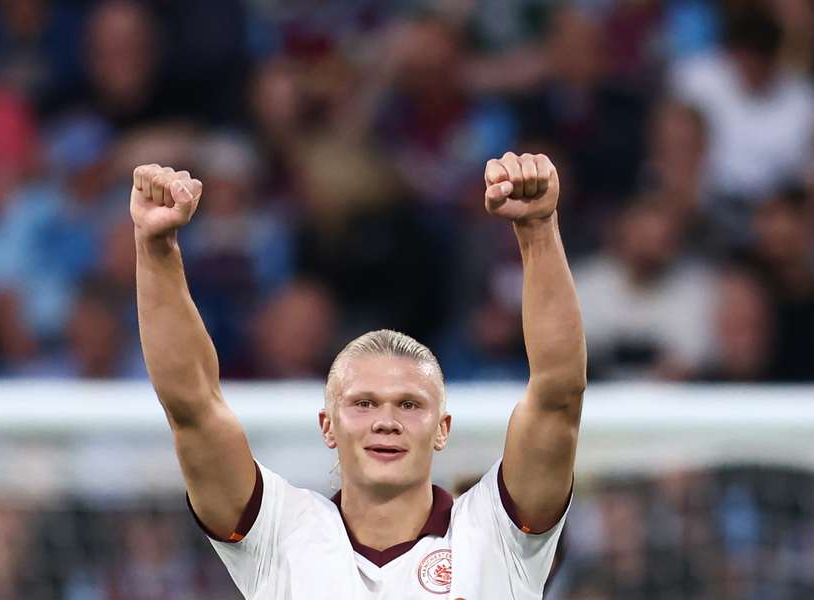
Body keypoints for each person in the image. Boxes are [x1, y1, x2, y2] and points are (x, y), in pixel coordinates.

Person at [131, 152, 586, 598]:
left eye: (409, 404)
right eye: (363, 403)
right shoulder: (278, 532)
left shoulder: (496, 532)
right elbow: (192, 407)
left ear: (442, 428)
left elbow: (558, 395)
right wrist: (156, 248)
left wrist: (538, 229)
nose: (386, 421)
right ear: (327, 424)